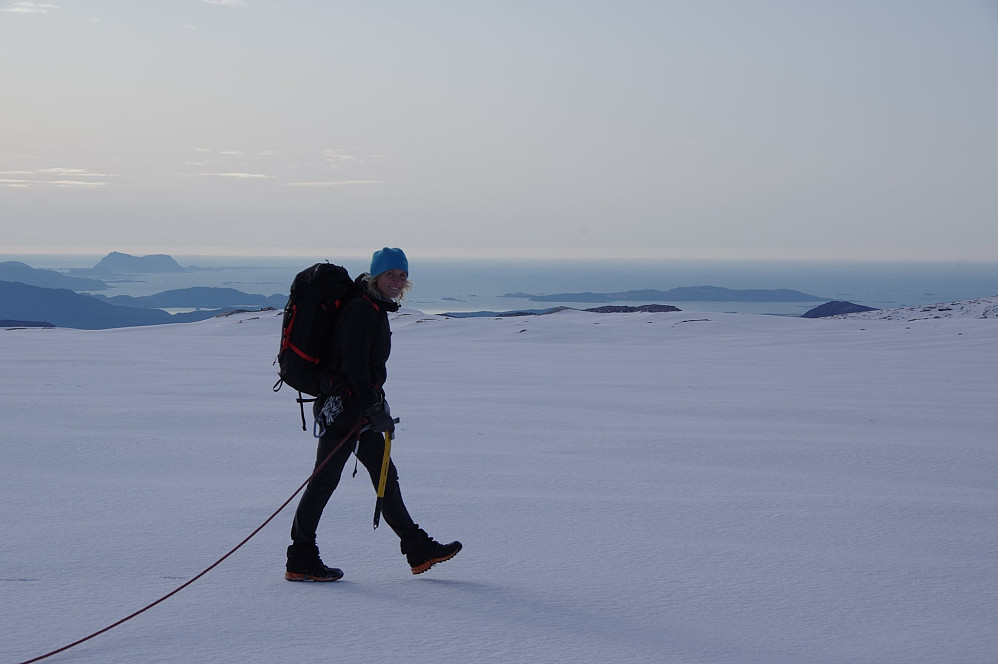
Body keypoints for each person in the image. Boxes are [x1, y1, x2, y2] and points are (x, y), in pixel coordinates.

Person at [285, 247, 462, 581]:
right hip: (346, 410)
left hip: (357, 407)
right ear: (376, 276)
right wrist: (369, 407)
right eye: (390, 275)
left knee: (384, 476)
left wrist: (373, 405)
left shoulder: (373, 307)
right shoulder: (361, 310)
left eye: (402, 275)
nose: (397, 281)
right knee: (324, 482)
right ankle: (300, 557)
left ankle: (417, 548)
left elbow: (363, 366)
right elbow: (353, 366)